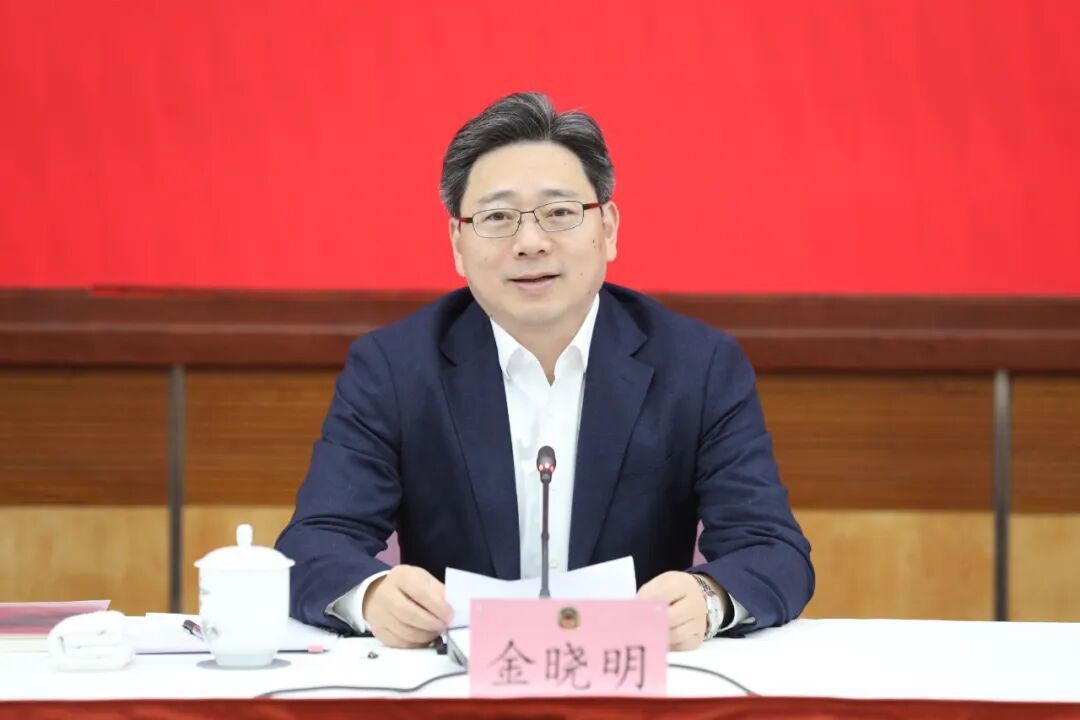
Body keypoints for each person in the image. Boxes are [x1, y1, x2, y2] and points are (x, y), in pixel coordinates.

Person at [276, 92, 813, 651]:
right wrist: (372, 596)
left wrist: (706, 599)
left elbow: (772, 549)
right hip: (456, 681)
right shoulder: (394, 368)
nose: (530, 243)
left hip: (633, 679)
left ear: (608, 229)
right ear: (458, 243)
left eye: (559, 213)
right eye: (497, 218)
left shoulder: (697, 366)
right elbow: (314, 542)